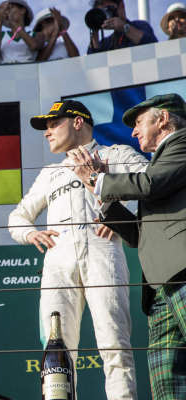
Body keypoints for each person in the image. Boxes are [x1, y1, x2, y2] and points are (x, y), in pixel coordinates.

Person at [8, 100, 148, 398]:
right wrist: (31, 233)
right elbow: (17, 218)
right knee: (57, 349)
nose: (47, 133)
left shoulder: (115, 154)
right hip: (57, 260)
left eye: (52, 124)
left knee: (115, 342)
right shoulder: (50, 172)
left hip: (103, 252)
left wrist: (122, 216)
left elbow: (151, 184)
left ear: (77, 122)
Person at [69, 94, 186, 399]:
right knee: (167, 386)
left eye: (138, 123)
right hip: (160, 287)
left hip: (183, 272)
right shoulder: (159, 162)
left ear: (162, 120)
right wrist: (104, 199)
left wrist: (97, 178)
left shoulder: (182, 143)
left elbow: (149, 184)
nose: (133, 132)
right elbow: (140, 236)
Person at [87, 0, 157, 54]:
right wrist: (94, 32)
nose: (106, 15)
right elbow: (93, 60)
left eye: (108, 9)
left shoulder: (140, 26)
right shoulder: (108, 42)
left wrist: (124, 27)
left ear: (122, 6)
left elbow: (152, 46)